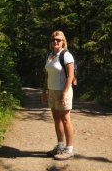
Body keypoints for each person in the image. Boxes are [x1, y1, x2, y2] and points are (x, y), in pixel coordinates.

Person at [42, 30, 75, 160]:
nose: (56, 41)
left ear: (63, 42)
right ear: (51, 42)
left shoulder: (66, 55)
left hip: (63, 91)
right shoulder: (49, 55)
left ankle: (69, 149)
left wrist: (64, 93)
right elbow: (47, 74)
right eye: (54, 39)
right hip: (51, 90)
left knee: (66, 119)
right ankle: (60, 146)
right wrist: (44, 90)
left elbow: (70, 76)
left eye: (58, 40)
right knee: (56, 119)